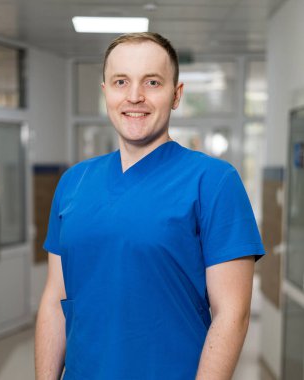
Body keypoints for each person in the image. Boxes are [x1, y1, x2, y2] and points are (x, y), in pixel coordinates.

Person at [35, 32, 265, 380]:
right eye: (121, 81)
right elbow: (55, 300)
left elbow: (232, 315)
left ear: (176, 95)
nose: (134, 96)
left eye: (152, 82)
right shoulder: (74, 182)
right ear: (106, 92)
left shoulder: (214, 181)